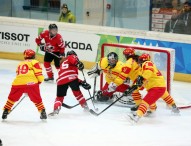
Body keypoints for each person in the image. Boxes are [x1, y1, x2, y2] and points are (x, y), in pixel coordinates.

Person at [128, 53, 180, 123]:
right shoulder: (144, 68)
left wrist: (142, 78)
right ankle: (175, 108)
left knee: (145, 102)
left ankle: (137, 116)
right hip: (160, 86)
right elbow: (142, 81)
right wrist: (134, 86)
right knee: (165, 97)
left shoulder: (147, 63)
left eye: (139, 61)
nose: (139, 62)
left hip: (156, 88)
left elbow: (147, 73)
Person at [2, 49, 47, 120]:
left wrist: (24, 87)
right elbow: (39, 74)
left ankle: (6, 110)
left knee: (11, 98)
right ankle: (42, 111)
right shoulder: (35, 62)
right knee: (37, 99)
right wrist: (39, 81)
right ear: (33, 56)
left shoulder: (20, 63)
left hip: (17, 83)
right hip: (32, 84)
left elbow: (18, 75)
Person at [49, 50, 91, 116]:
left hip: (61, 80)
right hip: (72, 78)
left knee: (59, 97)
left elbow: (66, 75)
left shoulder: (62, 63)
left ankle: (56, 110)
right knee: (78, 94)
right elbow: (71, 73)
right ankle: (86, 107)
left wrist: (81, 82)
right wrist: (78, 63)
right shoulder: (71, 56)